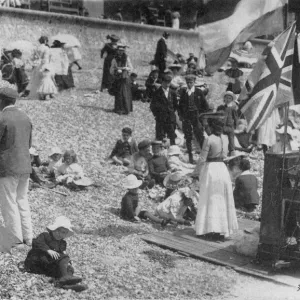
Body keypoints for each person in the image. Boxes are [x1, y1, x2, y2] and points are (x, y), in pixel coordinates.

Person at [194, 116, 238, 241]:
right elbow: (225, 155)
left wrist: (196, 173)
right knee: (221, 198)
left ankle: (209, 228)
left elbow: (202, 158)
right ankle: (221, 228)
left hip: (211, 169)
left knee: (210, 198)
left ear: (212, 126)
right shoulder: (224, 138)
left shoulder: (209, 139)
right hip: (222, 169)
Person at [0, 87, 33, 246]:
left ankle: (15, 238)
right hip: (25, 165)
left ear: (1, 100)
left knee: (9, 203)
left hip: (8, 167)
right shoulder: (25, 117)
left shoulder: (2, 118)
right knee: (22, 200)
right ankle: (28, 237)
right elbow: (29, 144)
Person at [24, 216, 88, 292]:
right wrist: (47, 250)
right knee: (64, 258)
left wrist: (67, 262)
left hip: (47, 267)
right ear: (53, 229)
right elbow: (36, 242)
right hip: (36, 262)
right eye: (58, 231)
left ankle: (66, 284)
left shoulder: (62, 243)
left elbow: (62, 255)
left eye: (63, 233)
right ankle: (66, 277)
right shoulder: (45, 235)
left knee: (69, 267)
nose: (60, 234)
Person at [178, 74, 210, 162]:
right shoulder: (183, 92)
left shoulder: (199, 92)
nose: (189, 84)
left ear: (194, 82)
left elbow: (206, 106)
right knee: (188, 136)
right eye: (187, 82)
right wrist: (181, 116)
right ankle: (190, 156)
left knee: (200, 135)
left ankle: (205, 155)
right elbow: (180, 106)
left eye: (191, 82)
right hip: (186, 117)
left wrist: (201, 115)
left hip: (196, 117)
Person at [150, 74, 178, 145]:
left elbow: (175, 105)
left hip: (170, 118)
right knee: (160, 136)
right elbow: (153, 106)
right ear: (162, 82)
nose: (167, 84)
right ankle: (161, 152)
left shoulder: (173, 93)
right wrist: (157, 115)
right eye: (165, 82)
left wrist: (171, 112)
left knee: (172, 135)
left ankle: (172, 150)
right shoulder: (157, 93)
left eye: (168, 82)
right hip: (160, 118)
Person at [110, 44, 133, 115]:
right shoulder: (114, 59)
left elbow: (131, 68)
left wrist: (126, 69)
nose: (120, 52)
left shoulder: (127, 58)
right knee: (119, 93)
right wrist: (116, 71)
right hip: (118, 78)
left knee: (125, 93)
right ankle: (119, 109)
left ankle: (126, 109)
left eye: (122, 51)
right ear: (117, 51)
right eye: (119, 51)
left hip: (125, 78)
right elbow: (111, 69)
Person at [217, 91, 238, 157]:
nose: (228, 100)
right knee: (219, 136)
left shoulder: (233, 108)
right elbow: (217, 116)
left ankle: (232, 151)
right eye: (226, 98)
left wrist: (235, 126)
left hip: (230, 126)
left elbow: (235, 118)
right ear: (224, 99)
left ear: (232, 100)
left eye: (229, 98)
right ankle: (219, 150)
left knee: (231, 138)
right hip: (222, 126)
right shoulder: (221, 107)